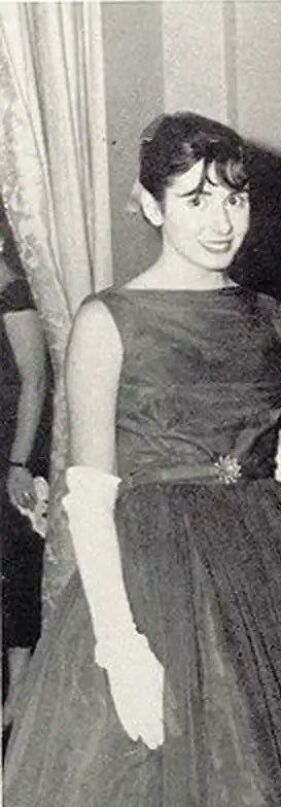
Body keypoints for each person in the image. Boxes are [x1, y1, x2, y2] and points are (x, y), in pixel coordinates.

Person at [3, 112, 281, 806]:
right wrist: (120, 643)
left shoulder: (273, 318)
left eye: (235, 197)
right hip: (153, 576)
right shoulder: (106, 319)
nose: (222, 220)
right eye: (195, 199)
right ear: (149, 205)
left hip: (276, 573)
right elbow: (89, 492)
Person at [0, 218, 49, 717]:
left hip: (12, 445)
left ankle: (18, 693)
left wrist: (18, 463)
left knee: (17, 558)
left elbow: (34, 382)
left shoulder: (12, 292)